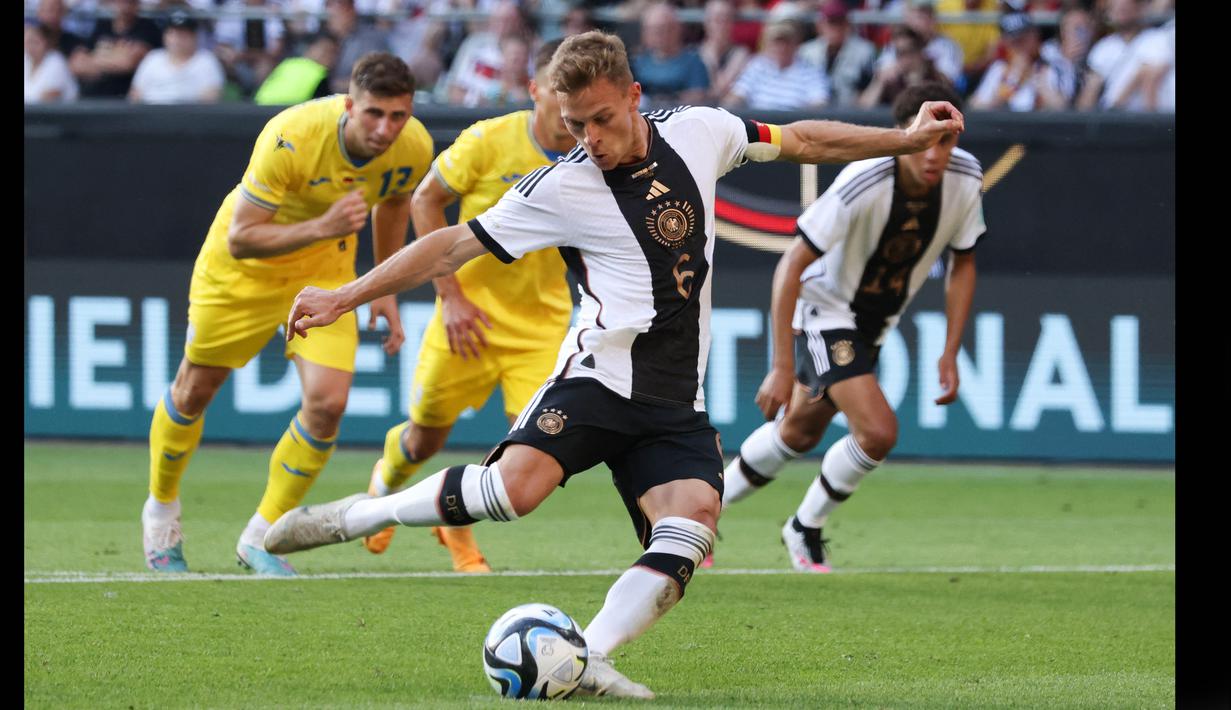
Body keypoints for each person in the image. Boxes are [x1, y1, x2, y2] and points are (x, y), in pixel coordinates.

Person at [267, 31, 962, 697]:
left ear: (632, 95)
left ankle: (585, 657)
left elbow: (801, 139)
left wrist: (903, 141)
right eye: (573, 126)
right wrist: (345, 295)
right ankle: (357, 517)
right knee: (512, 494)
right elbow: (449, 245)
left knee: (690, 529)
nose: (588, 140)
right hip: (597, 378)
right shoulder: (561, 187)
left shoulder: (699, 130)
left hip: (673, 400)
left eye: (599, 120)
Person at [140, 52, 434, 576]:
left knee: (328, 403)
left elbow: (393, 203)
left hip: (324, 277)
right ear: (349, 105)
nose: (387, 129)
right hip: (241, 272)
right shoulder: (290, 135)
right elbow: (243, 236)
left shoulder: (414, 146)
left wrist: (384, 286)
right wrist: (321, 226)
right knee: (194, 390)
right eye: (374, 114)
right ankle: (161, 510)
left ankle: (262, 537)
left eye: (398, 115)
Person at [715, 81, 983, 573]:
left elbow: (963, 262)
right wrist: (779, 365)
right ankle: (805, 526)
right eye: (924, 137)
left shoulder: (966, 178)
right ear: (905, 134)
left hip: (876, 323)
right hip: (826, 310)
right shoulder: (865, 179)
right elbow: (791, 266)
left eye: (946, 139)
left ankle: (703, 515)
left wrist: (950, 351)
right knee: (879, 432)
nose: (934, 152)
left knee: (797, 431)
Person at [359, 38, 577, 573]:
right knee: (422, 438)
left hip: (542, 326)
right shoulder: (489, 139)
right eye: (558, 88)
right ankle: (385, 486)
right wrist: (450, 295)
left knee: (532, 454)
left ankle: (453, 516)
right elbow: (424, 199)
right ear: (534, 90)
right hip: (467, 319)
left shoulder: (593, 153)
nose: (568, 101)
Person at [722, 14, 829, 111]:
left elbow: (819, 103)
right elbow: (737, 95)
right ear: (768, 44)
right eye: (777, 42)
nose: (781, 47)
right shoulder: (757, 65)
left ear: (796, 43)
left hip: (794, 128)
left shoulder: (810, 71)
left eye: (786, 41)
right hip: (759, 126)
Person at [968, 11, 1071, 111]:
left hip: (1042, 126)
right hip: (1005, 126)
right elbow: (975, 107)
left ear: (1035, 36)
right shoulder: (1000, 69)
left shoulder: (1052, 65)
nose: (1020, 48)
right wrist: (1012, 82)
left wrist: (1040, 82)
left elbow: (1063, 109)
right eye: (1014, 43)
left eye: (1024, 40)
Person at [128, 12, 226, 104]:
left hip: (191, 117)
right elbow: (135, 94)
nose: (176, 39)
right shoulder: (153, 58)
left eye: (182, 34)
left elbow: (212, 97)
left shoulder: (206, 60)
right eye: (172, 33)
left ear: (194, 36)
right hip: (152, 116)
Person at [797, 0, 877, 108]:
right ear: (820, 25)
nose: (835, 29)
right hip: (813, 112)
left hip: (851, 113)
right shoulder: (806, 51)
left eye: (840, 23)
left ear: (847, 25)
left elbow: (866, 89)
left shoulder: (864, 52)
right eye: (831, 23)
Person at [629, 2, 710, 107]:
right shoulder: (637, 62)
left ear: (678, 29)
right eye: (655, 30)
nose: (662, 34)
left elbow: (698, 96)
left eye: (667, 28)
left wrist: (665, 100)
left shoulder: (693, 62)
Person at [254, 32, 340, 105]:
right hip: (288, 115)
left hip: (258, 111)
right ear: (310, 49)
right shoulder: (320, 73)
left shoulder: (287, 63)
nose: (330, 57)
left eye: (334, 53)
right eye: (327, 51)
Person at [25, 21, 79, 103]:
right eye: (27, 42)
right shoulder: (26, 60)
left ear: (46, 42)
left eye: (34, 41)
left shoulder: (56, 62)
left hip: (56, 114)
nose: (31, 46)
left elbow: (50, 96)